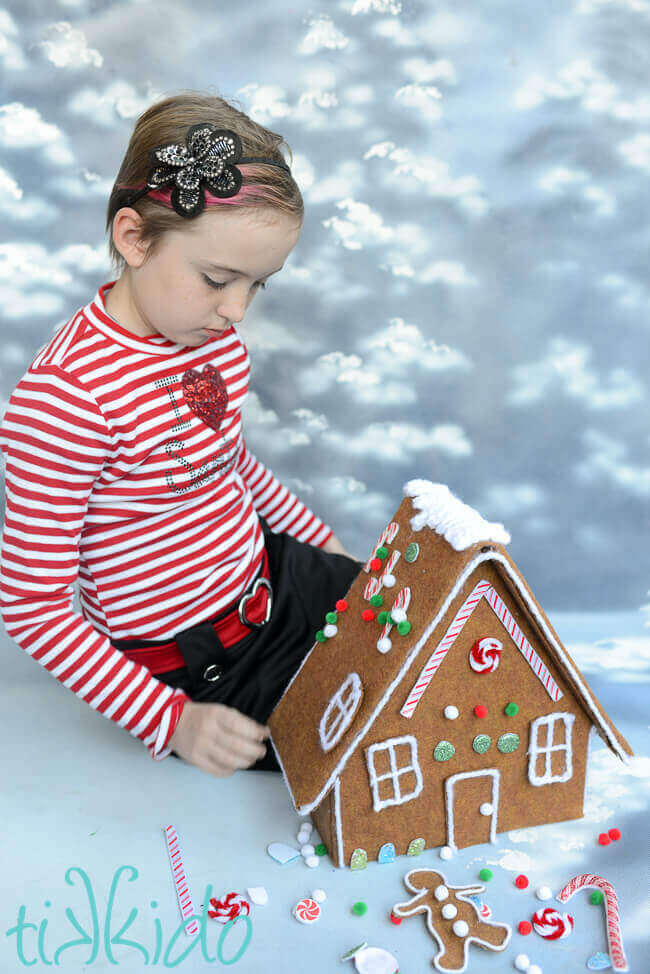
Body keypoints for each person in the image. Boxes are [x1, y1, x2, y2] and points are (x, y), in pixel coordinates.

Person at [0, 90, 365, 780]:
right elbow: (33, 605)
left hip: (270, 575)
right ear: (134, 238)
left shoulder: (213, 343)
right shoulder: (66, 402)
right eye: (218, 279)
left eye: (259, 285)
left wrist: (319, 544)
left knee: (402, 628)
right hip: (198, 663)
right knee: (351, 745)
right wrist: (172, 720)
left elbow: (230, 467)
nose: (237, 311)